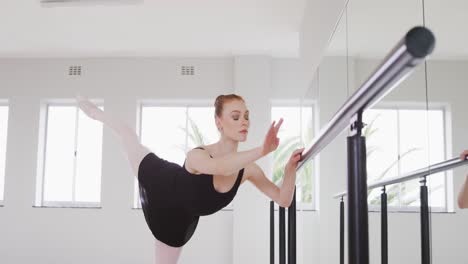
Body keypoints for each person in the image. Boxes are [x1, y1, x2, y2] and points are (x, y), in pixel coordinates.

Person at [77, 94, 304, 264]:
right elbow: (221, 168)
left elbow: (283, 199)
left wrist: (290, 169)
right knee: (128, 136)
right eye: (235, 116)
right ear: (219, 122)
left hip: (177, 223)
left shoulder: (248, 170)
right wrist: (263, 150)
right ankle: (95, 113)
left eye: (246, 116)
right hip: (160, 181)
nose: (244, 121)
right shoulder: (198, 155)